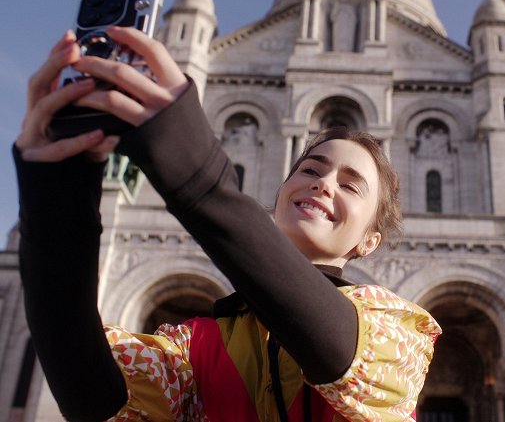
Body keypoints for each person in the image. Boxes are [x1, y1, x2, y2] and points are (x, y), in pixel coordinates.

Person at [14, 26, 441, 421]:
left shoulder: (400, 332)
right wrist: (56, 196)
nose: (324, 185)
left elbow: (331, 341)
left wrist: (193, 171)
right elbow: (91, 390)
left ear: (369, 241)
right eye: (311, 170)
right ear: (279, 196)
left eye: (351, 186)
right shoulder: (196, 345)